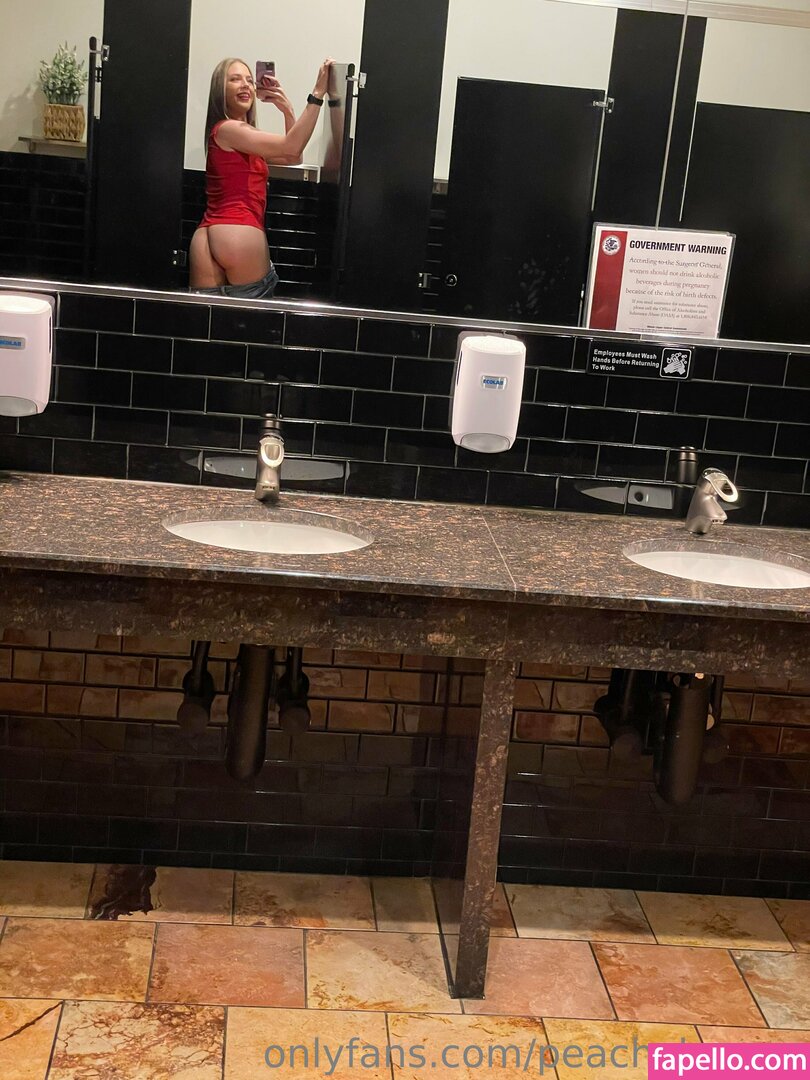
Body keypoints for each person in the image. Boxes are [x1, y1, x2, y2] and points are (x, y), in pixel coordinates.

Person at [189, 56, 333, 299]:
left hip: (205, 237)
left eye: (249, 80)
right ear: (220, 90)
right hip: (239, 231)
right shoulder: (230, 129)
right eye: (235, 79)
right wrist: (317, 94)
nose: (245, 85)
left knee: (208, 320)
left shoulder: (235, 137)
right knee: (251, 319)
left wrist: (287, 110)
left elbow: (292, 157)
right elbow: (291, 147)